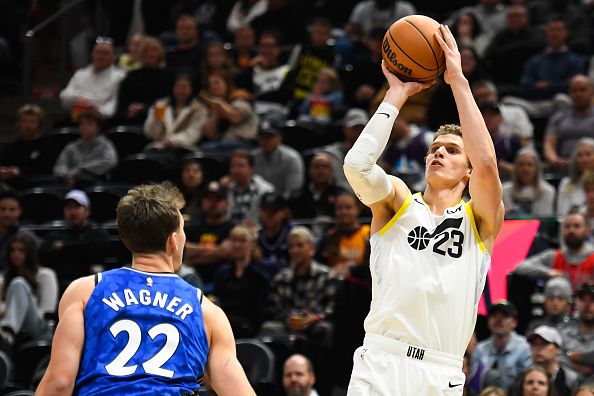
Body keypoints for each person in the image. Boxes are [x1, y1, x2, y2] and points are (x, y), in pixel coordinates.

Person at [343, 24, 504, 395]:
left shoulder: (479, 220)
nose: (438, 152)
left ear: (468, 170)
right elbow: (356, 167)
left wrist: (458, 81)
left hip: (440, 369)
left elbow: (489, 166)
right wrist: (395, 96)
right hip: (382, 359)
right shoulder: (398, 202)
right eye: (435, 147)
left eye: (451, 149)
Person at [36, 183, 256, 395]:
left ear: (127, 239)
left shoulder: (85, 291)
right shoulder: (206, 310)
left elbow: (59, 383)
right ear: (173, 241)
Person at [512, 211, 594, 290]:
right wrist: (548, 272)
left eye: (577, 226)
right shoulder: (554, 256)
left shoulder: (592, 257)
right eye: (567, 226)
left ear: (587, 230)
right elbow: (520, 267)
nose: (571, 230)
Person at [59, 37, 125, 120]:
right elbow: (64, 96)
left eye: (105, 53)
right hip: (77, 118)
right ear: (92, 54)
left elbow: (113, 105)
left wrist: (94, 109)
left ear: (113, 56)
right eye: (98, 52)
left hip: (101, 120)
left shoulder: (119, 77)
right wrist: (77, 98)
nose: (101, 56)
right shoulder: (80, 74)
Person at [475, 300, 533, 391]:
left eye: (504, 316)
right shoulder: (480, 350)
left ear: (514, 322)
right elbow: (474, 386)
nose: (498, 320)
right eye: (494, 315)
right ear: (488, 321)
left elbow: (527, 384)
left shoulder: (524, 348)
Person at [52, 109, 118, 188]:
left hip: (96, 184)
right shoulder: (72, 146)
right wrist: (67, 176)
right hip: (70, 183)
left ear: (98, 127)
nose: (84, 127)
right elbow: (60, 165)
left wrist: (81, 169)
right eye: (81, 124)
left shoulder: (105, 145)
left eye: (89, 124)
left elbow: (110, 161)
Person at [527, 325, 579, 396]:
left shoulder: (569, 379)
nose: (538, 348)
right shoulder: (525, 376)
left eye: (544, 344)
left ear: (557, 349)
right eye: (534, 344)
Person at [556, 138, 594, 217]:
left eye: (588, 154)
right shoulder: (566, 183)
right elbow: (562, 215)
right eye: (580, 155)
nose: (584, 159)